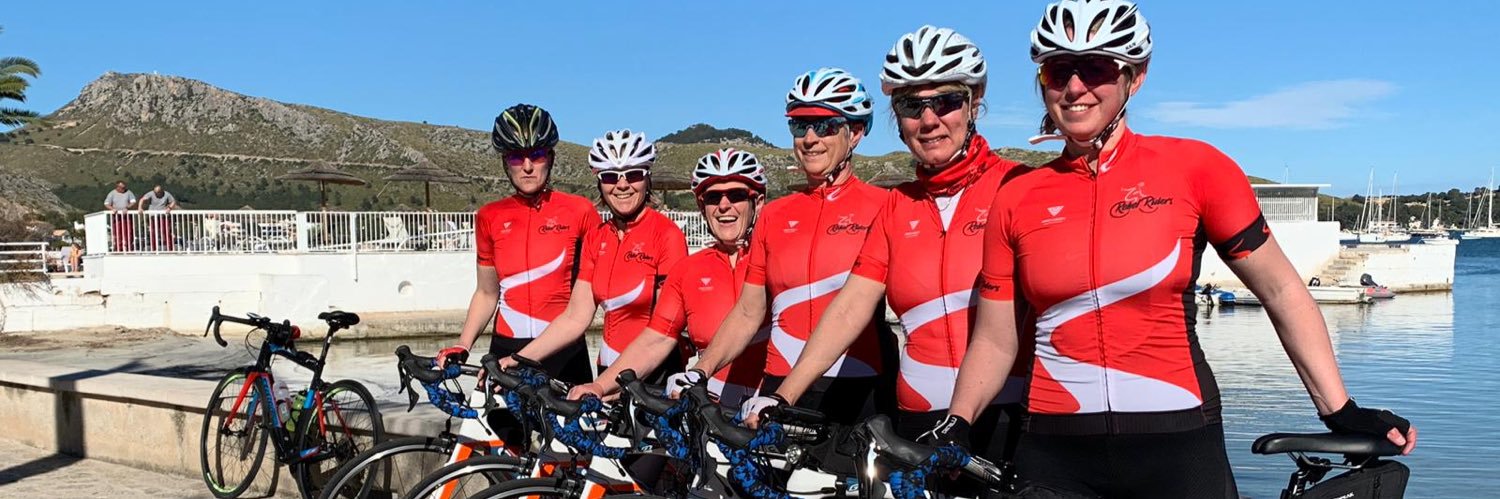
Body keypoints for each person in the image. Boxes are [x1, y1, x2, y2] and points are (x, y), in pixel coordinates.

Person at [944, 2, 1418, 497]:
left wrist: (1339, 409)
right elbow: (995, 340)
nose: (1076, 87)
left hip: (1178, 444)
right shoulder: (1017, 197)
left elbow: (1281, 291)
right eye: (1058, 71)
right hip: (1054, 451)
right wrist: (957, 422)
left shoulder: (1196, 170)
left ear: (1135, 77)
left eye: (1097, 68)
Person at [751, 26, 1028, 481]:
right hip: (917, 422)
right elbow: (850, 308)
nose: (929, 119)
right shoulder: (898, 205)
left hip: (1006, 416)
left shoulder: (1019, 186)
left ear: (974, 102)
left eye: (946, 101)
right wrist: (784, 397)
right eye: (911, 106)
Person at [675, 68, 892, 428]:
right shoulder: (775, 215)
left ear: (854, 133)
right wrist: (701, 370)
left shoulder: (885, 205)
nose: (810, 138)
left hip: (857, 386)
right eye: (799, 126)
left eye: (825, 125)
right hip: (778, 384)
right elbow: (748, 312)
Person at [568, 148, 770, 406]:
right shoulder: (688, 269)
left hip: (778, 409)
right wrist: (599, 386)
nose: (723, 206)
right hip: (713, 412)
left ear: (758, 202)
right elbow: (657, 338)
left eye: (737, 195)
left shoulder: (777, 261)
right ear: (702, 206)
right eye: (712, 197)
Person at [502, 129, 688, 382]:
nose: (622, 185)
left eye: (633, 175)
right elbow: (575, 318)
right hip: (608, 370)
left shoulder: (667, 236)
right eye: (610, 177)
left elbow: (664, 330)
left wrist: (601, 387)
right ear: (600, 184)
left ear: (648, 180)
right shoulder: (596, 237)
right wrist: (518, 359)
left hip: (654, 373)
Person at [438, 104, 600, 384]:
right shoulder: (489, 216)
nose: (527, 166)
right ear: (505, 162)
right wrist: (463, 344)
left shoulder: (580, 211)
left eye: (536, 155)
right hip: (506, 349)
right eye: (516, 157)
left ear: (550, 158)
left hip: (564, 351)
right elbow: (487, 293)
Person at [138, 184, 178, 251]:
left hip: (163, 216)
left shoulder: (167, 194)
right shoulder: (151, 193)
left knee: (166, 232)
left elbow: (173, 201)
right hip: (153, 216)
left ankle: (170, 248)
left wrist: (169, 208)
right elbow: (142, 199)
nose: (156, 194)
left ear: (161, 191)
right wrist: (140, 208)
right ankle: (154, 249)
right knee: (153, 232)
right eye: (155, 192)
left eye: (158, 192)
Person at [103, 180, 137, 252]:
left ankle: (129, 247)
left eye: (124, 187)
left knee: (129, 231)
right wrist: (112, 209)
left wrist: (127, 207)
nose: (123, 189)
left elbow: (133, 201)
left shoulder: (128, 192)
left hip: (126, 216)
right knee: (118, 232)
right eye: (122, 188)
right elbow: (106, 203)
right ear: (117, 187)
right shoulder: (112, 193)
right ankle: (119, 248)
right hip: (117, 216)